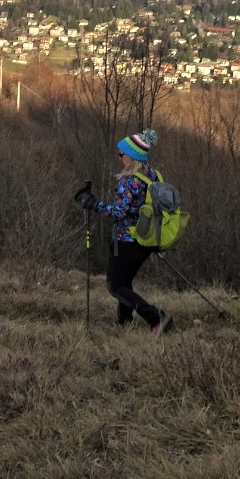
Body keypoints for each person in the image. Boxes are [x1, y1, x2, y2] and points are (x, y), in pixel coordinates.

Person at [82, 128, 174, 335]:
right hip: (146, 240)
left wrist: (93, 204)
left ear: (131, 157)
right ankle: (125, 322)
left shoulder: (129, 180)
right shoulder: (153, 175)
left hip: (126, 240)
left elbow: (118, 211)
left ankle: (157, 318)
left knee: (115, 286)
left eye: (121, 154)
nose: (119, 157)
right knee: (125, 282)